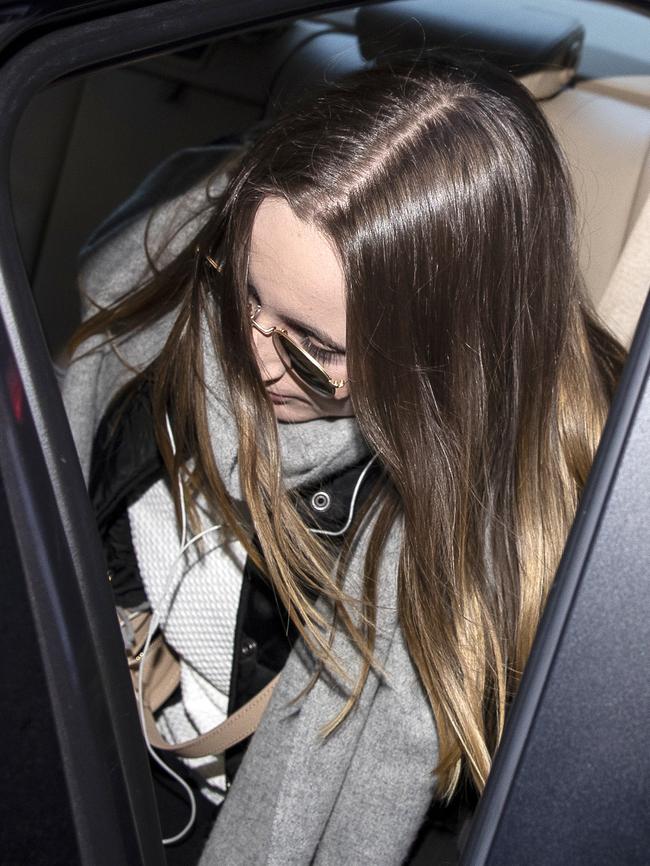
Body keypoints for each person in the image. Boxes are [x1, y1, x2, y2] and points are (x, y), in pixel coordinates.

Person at [63, 54, 626, 865]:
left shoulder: (534, 559)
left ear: (446, 359)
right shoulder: (169, 283)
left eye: (310, 349)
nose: (252, 359)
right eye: (243, 293)